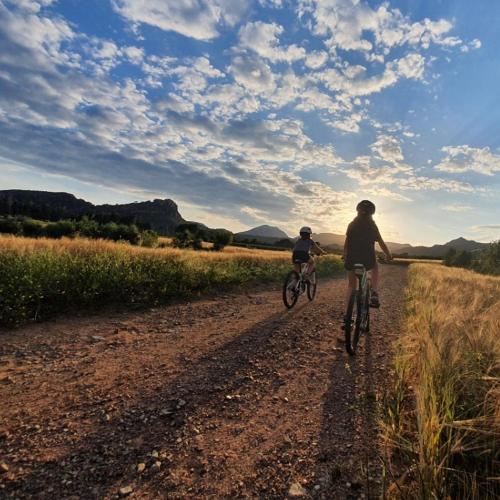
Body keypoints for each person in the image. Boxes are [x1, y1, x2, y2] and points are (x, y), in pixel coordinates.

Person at [343, 200, 392, 309]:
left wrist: (345, 255)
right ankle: (374, 292)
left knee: (351, 285)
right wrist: (388, 255)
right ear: (372, 213)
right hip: (367, 259)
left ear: (358, 211)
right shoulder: (372, 225)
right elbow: (381, 242)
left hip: (351, 258)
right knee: (375, 266)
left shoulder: (351, 224)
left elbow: (347, 242)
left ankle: (347, 315)